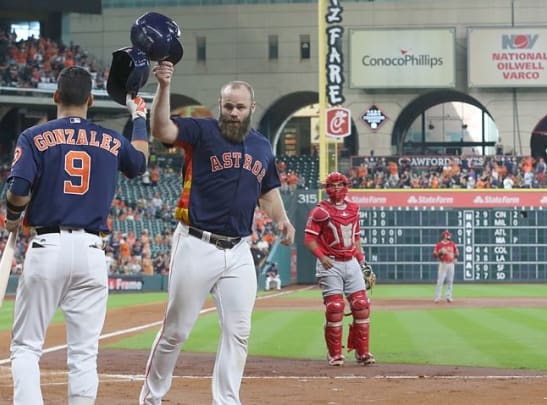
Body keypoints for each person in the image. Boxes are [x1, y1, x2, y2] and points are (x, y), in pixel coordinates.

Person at [139, 60, 295, 405]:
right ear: (220, 105)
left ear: (251, 108)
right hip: (196, 243)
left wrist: (282, 219)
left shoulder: (261, 146)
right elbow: (163, 130)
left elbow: (268, 193)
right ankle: (151, 399)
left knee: (238, 333)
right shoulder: (202, 131)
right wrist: (164, 87)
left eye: (240, 107)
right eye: (228, 106)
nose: (234, 112)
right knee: (176, 331)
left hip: (239, 250)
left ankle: (227, 400)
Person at [4, 65, 150, 405]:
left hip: (47, 246)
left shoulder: (34, 136)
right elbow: (140, 162)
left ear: (56, 96)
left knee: (26, 347)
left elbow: (19, 190)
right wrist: (139, 117)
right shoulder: (111, 139)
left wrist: (13, 216)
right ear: (89, 100)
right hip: (91, 250)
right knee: (84, 353)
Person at [303, 172, 375, 367]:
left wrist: (362, 262)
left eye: (339, 184)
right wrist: (322, 257)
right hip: (331, 263)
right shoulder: (320, 210)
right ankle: (334, 354)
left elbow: (356, 237)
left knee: (361, 305)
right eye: (332, 185)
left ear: (346, 185)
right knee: (335, 308)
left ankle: (362, 352)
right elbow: (309, 238)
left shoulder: (354, 209)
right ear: (327, 188)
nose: (336, 188)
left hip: (351, 260)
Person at [433, 230, 459, 303]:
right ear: (445, 236)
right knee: (440, 281)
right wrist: (440, 253)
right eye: (448, 235)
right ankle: (438, 297)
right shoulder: (439, 245)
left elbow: (456, 252)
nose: (449, 236)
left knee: (450, 281)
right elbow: (434, 255)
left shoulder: (452, 244)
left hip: (451, 264)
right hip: (443, 264)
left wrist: (456, 258)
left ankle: (449, 296)